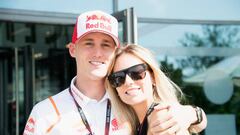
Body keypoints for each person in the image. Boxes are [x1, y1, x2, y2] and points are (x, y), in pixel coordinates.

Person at [23, 10, 206, 135]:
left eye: (106, 44)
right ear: (72, 50)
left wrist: (192, 114)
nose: (98, 52)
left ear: (114, 51)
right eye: (88, 43)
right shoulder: (45, 111)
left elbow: (180, 118)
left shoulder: (128, 99)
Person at [106, 44, 207, 135]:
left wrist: (193, 113)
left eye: (136, 72)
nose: (128, 81)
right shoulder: (136, 125)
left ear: (153, 77)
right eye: (118, 78)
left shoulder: (161, 116)